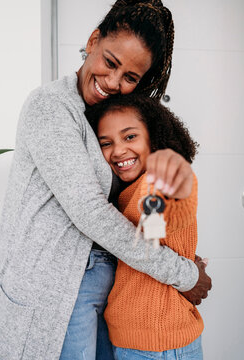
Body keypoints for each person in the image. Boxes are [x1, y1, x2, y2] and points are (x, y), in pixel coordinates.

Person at [0, 1, 211, 359]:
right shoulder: (51, 107)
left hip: (113, 292)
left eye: (130, 77)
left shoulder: (111, 120)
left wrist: (175, 250)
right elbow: (91, 211)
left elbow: (146, 209)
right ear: (93, 41)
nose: (113, 82)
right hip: (57, 289)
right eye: (110, 62)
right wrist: (181, 273)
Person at [86, 93, 203, 359]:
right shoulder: (125, 192)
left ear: (155, 136)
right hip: (135, 340)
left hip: (160, 345)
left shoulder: (151, 184)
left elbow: (160, 217)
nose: (118, 150)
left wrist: (171, 186)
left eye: (130, 137)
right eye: (106, 143)